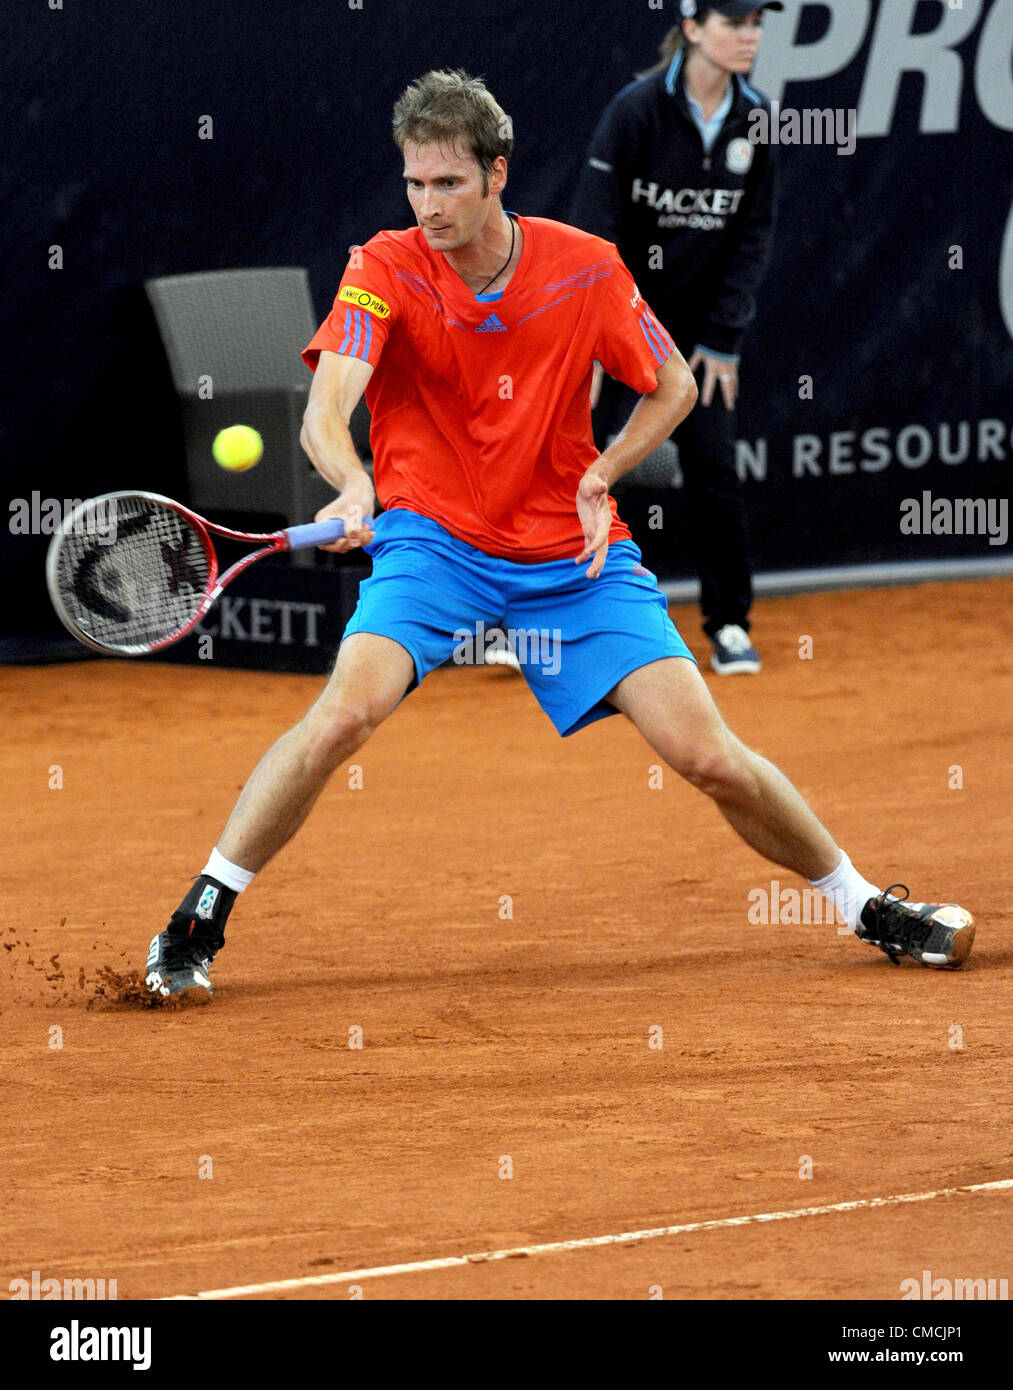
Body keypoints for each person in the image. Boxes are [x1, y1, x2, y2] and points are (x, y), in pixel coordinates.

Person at [143, 69, 974, 1000]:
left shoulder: (583, 265)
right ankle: (195, 919)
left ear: (498, 173)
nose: (427, 206)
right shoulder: (382, 267)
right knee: (342, 714)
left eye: (448, 183)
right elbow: (326, 408)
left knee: (708, 757)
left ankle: (865, 905)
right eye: (413, 184)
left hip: (573, 561)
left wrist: (601, 472)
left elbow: (675, 387)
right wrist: (352, 482)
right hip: (432, 546)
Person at [570, 0, 783, 675]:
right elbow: (594, 232)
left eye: (756, 24)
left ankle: (728, 626)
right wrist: (604, 333)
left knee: (715, 471)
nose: (748, 36)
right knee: (593, 470)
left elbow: (753, 234)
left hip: (696, 341)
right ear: (692, 29)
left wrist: (722, 338)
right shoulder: (633, 112)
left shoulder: (756, 118)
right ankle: (567, 621)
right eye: (734, 23)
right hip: (621, 324)